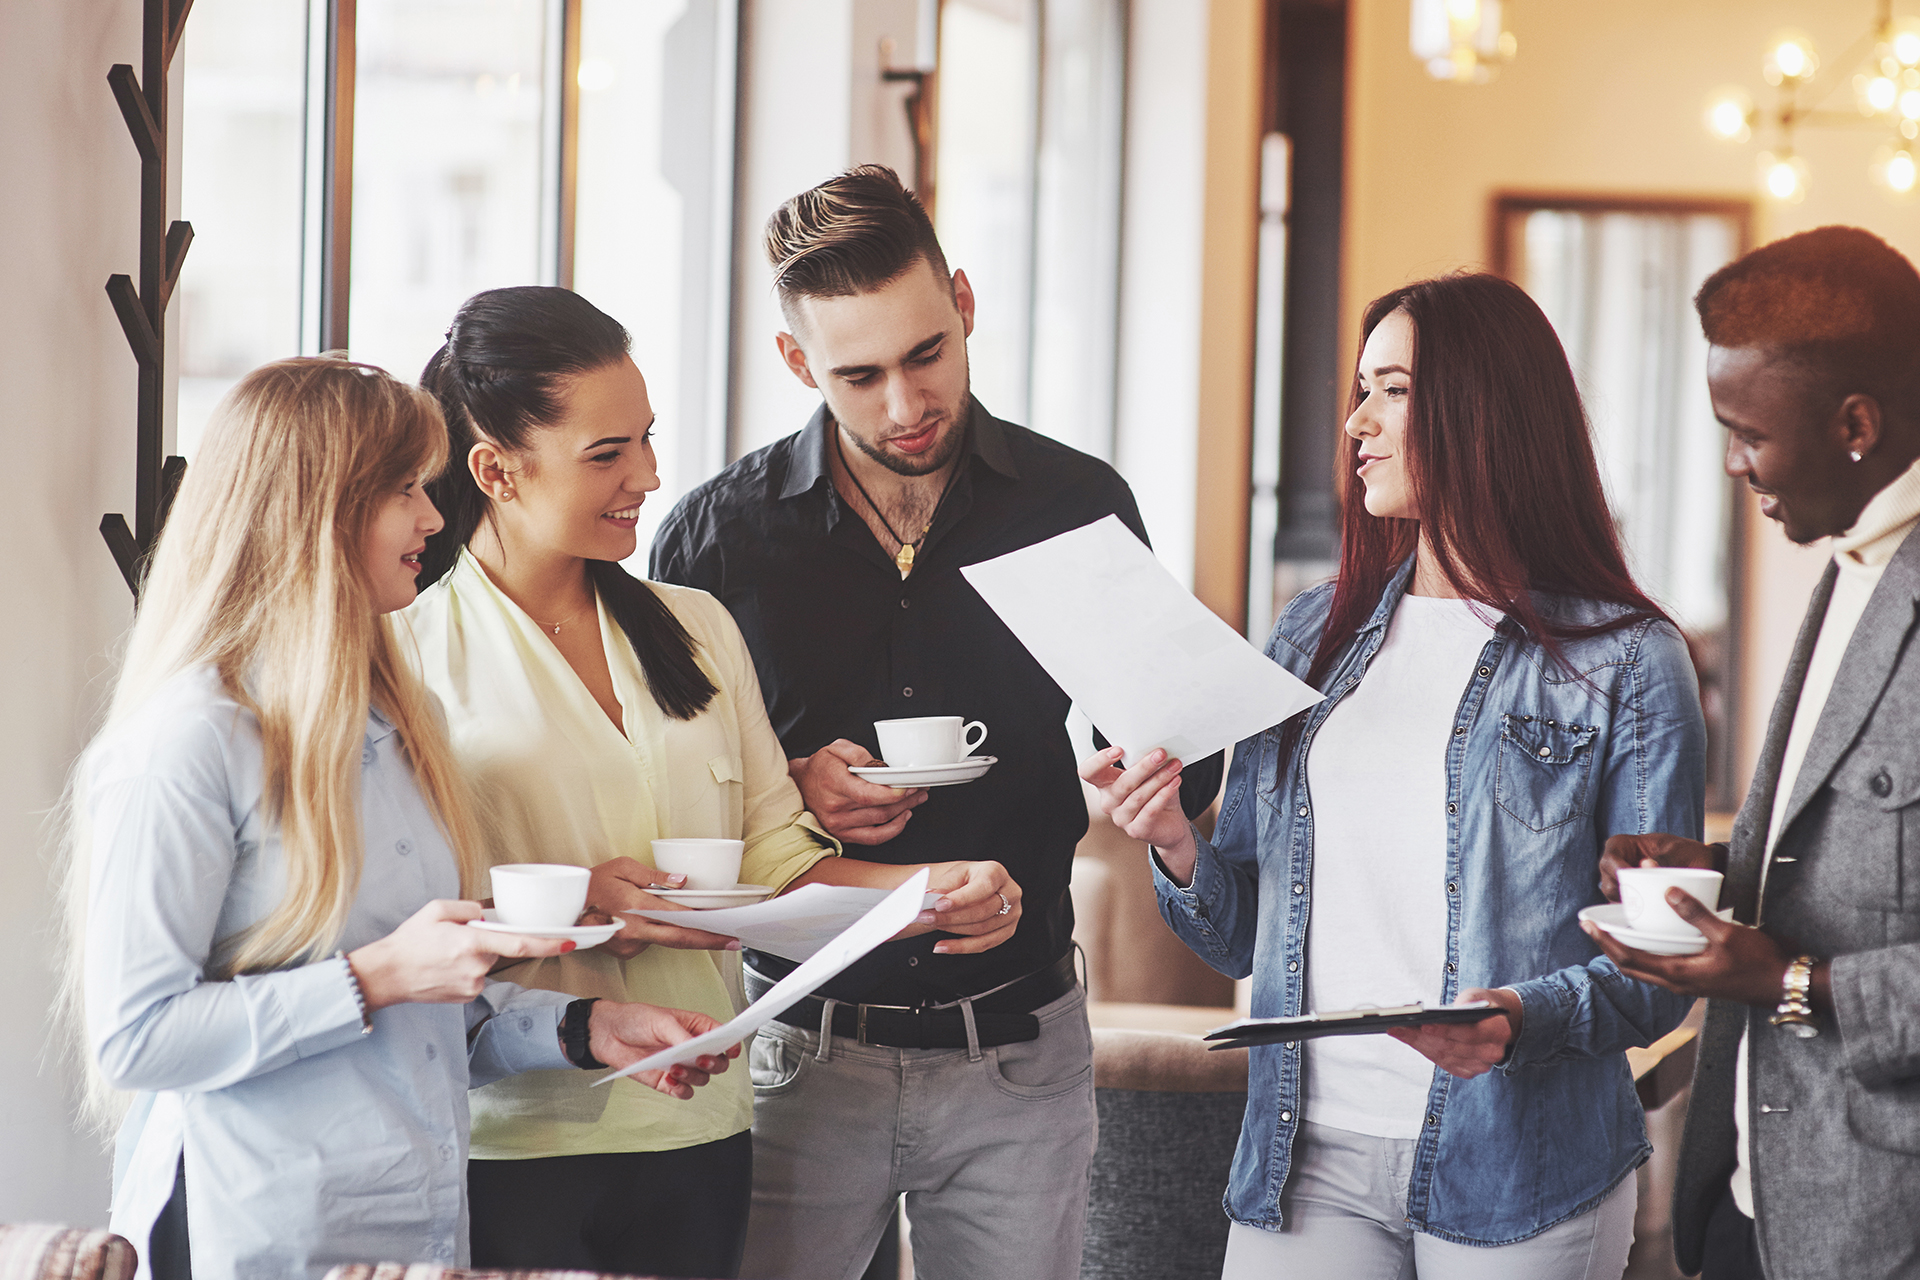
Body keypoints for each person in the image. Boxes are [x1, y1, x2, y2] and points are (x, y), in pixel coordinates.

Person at [650, 164, 1221, 1280]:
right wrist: (791, 782)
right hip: (796, 1047)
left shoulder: (1077, 504)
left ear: (962, 301)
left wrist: (1158, 781)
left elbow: (1176, 761)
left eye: (927, 355)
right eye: (859, 376)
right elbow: (678, 815)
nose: (906, 407)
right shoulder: (716, 539)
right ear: (795, 362)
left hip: (1022, 1047)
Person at [1087, 272, 1706, 1278]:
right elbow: (1238, 930)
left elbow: (1659, 966)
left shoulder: (1629, 660)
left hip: (1520, 1164)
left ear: (1483, 409)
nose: (1354, 422)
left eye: (1392, 390)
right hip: (1304, 1152)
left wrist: (1518, 1017)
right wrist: (1173, 838)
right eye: (1358, 389)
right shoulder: (1310, 632)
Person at [405, 285, 1023, 1279]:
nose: (648, 476)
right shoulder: (407, 654)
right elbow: (396, 923)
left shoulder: (694, 628)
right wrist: (592, 903)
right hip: (509, 1137)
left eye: (645, 439)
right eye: (606, 453)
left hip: (700, 1119)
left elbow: (777, 858)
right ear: (496, 471)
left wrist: (935, 886)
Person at [70, 357, 735, 1280]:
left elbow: (424, 1015)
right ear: (314, 512)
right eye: (401, 491)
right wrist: (376, 976)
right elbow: (139, 1038)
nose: (432, 517)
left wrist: (583, 1030)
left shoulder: (394, 726)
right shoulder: (189, 742)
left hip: (414, 1225)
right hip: (248, 1230)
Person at [1589, 226, 1920, 1280]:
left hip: (1882, 1223)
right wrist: (1711, 870)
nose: (1734, 464)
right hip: (1747, 1194)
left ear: (1855, 423)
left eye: (1746, 434)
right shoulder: (1848, 562)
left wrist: (1787, 978)